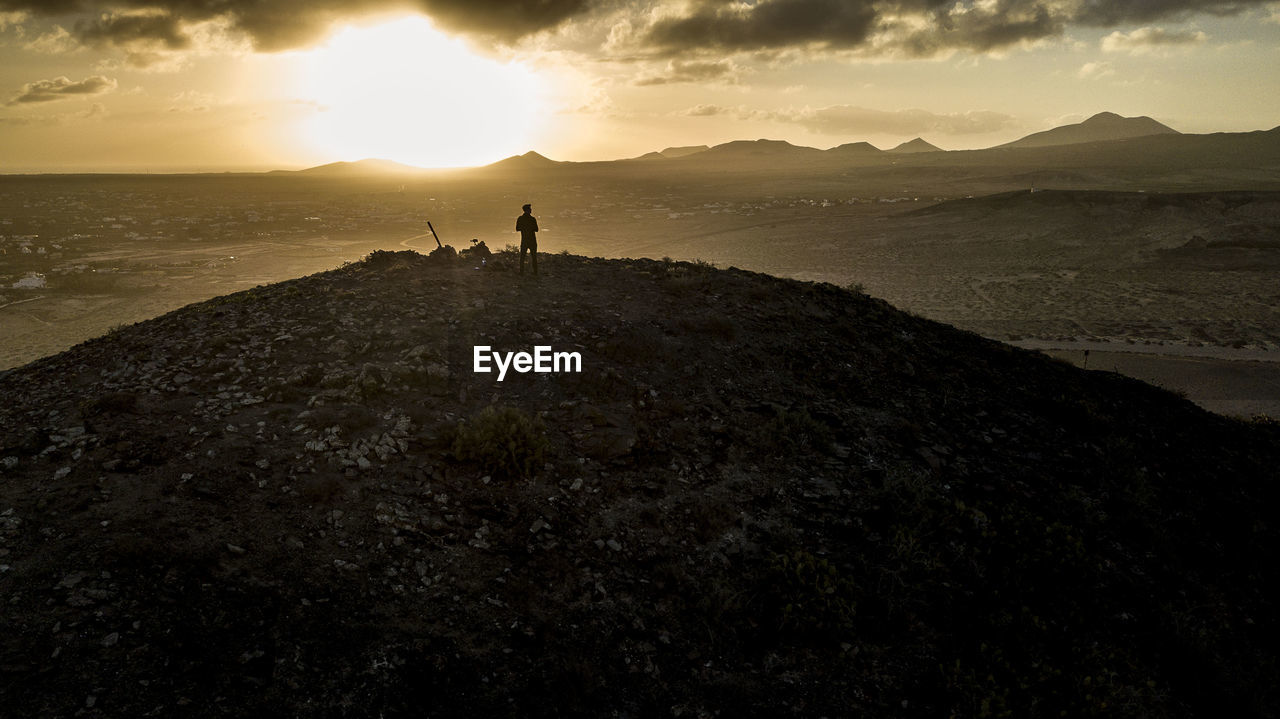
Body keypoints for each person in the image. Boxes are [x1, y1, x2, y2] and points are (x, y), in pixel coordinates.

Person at [516, 203, 538, 276]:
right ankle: (535, 272)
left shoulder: (520, 219)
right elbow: (536, 229)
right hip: (532, 240)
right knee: (534, 257)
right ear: (527, 210)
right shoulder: (532, 219)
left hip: (525, 240)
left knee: (522, 257)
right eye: (530, 209)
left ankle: (521, 272)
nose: (531, 210)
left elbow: (517, 228)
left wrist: (524, 228)